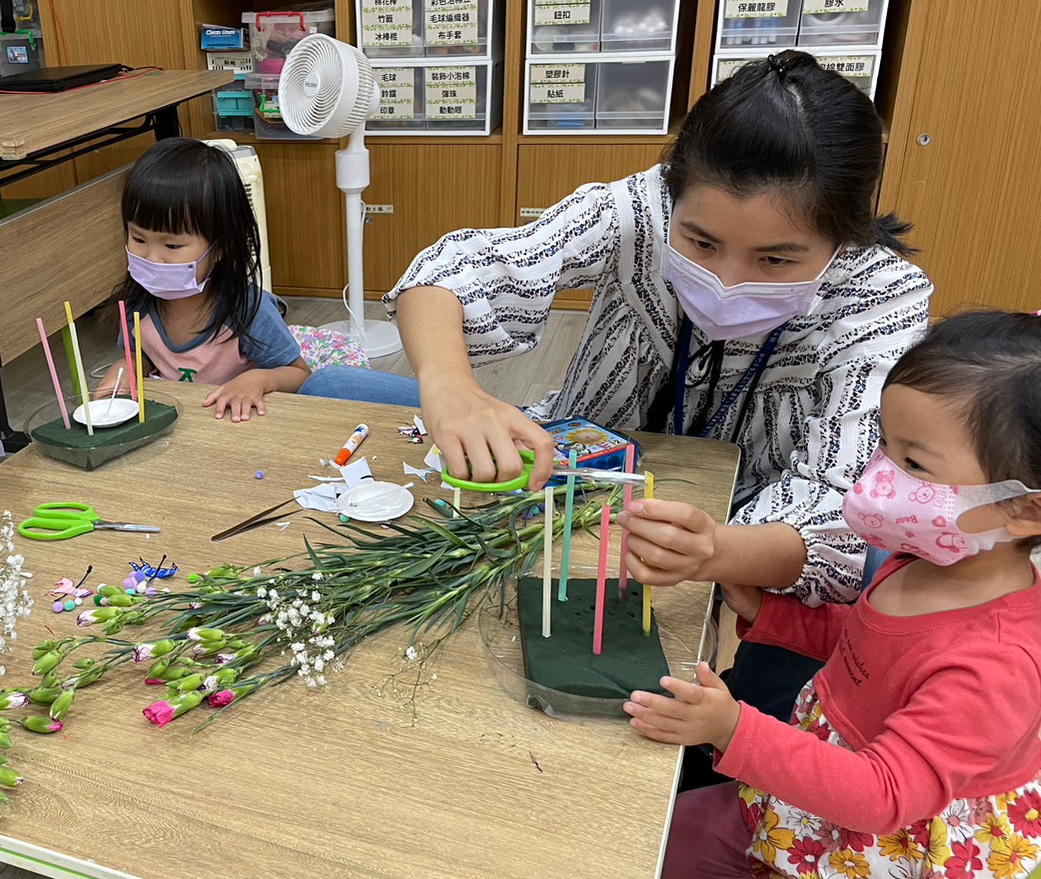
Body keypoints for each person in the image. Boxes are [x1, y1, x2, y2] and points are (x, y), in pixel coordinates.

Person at [302, 52, 931, 726]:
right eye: (699, 241)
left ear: (845, 234)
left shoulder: (877, 299)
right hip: (573, 481)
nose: (726, 278)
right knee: (465, 674)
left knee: (682, 706)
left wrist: (716, 552)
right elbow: (454, 272)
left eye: (776, 259)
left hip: (738, 547)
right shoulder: (635, 211)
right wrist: (449, 384)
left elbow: (844, 510)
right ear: (672, 195)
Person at [627, 311, 1041, 879]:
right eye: (885, 444)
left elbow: (883, 794)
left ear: (1025, 512)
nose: (880, 473)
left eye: (914, 462)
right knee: (674, 842)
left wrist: (732, 729)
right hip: (813, 800)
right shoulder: (925, 560)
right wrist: (770, 615)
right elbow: (867, 642)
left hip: (888, 863)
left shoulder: (996, 667)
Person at [100, 138, 308, 422]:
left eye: (172, 246)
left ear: (220, 246)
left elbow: (299, 375)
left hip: (238, 427)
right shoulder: (138, 304)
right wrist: (125, 370)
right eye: (138, 238)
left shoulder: (247, 309)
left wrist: (258, 380)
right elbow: (143, 356)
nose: (152, 258)